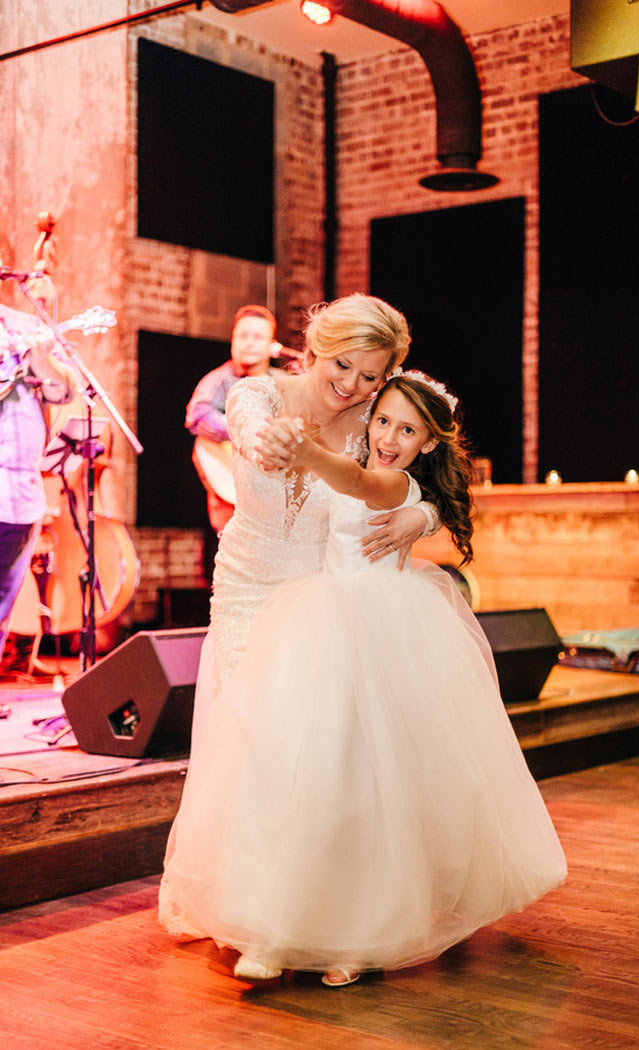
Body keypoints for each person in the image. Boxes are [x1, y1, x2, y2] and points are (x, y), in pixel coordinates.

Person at [160, 366, 567, 987]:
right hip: (318, 627)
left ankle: (358, 936)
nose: (388, 434)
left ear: (427, 444)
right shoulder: (356, 433)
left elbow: (351, 479)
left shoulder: (385, 478)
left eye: (408, 430)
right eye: (383, 421)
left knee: (367, 791)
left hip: (377, 634)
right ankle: (276, 926)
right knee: (306, 781)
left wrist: (326, 461)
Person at [159, 294, 441, 940]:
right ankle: (243, 897)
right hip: (246, 585)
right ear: (314, 348)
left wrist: (420, 514)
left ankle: (292, 906)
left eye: (371, 376)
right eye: (342, 366)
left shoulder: (378, 417)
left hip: (319, 597)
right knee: (245, 738)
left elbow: (446, 476)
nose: (353, 386)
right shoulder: (258, 396)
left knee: (300, 747)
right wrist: (276, 440)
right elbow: (255, 441)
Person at [0, 302, 75, 665]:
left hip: (18, 494)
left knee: (3, 602)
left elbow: (64, 391)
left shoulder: (24, 325)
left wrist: (43, 359)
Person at [185, 303, 281, 535]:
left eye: (258, 337)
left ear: (272, 346)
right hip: (231, 488)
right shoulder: (220, 380)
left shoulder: (282, 382)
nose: (249, 342)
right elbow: (197, 417)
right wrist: (246, 431)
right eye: (242, 336)